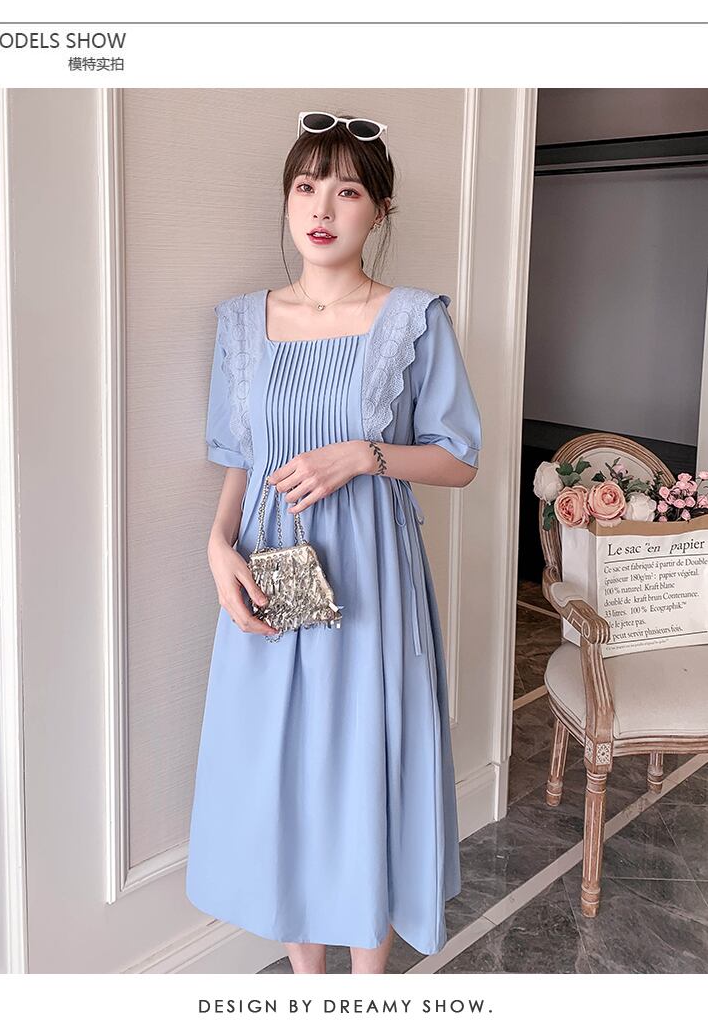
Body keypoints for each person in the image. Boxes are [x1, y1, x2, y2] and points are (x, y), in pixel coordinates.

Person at [186, 111, 482, 975]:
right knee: (283, 780)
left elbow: (460, 460)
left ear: (379, 210)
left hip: (371, 579)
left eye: (347, 190)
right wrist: (217, 547)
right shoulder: (242, 323)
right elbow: (241, 458)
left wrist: (365, 454)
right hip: (268, 571)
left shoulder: (413, 319)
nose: (323, 207)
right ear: (287, 200)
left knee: (362, 774)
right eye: (307, 186)